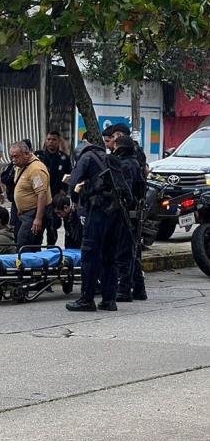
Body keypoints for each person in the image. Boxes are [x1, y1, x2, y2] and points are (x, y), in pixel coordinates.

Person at [64, 131, 134, 311]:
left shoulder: (86, 158)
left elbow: (73, 183)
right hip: (117, 214)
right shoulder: (111, 159)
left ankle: (86, 299)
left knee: (89, 254)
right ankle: (109, 300)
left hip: (98, 212)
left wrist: (74, 196)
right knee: (109, 256)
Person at [109, 130, 147, 301]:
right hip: (133, 213)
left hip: (127, 214)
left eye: (115, 145)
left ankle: (124, 289)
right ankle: (139, 288)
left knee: (124, 252)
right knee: (132, 250)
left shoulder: (125, 165)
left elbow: (126, 191)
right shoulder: (134, 163)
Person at [8, 140, 51, 249]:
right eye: (11, 157)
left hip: (33, 213)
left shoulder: (36, 169)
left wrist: (38, 219)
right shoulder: (21, 165)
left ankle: (29, 265)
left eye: (16, 156)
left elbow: (42, 194)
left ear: (27, 154)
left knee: (25, 244)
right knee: (21, 241)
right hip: (23, 213)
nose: (13, 160)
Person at [35, 130, 72, 247]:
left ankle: (51, 250)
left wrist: (63, 193)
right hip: (39, 198)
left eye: (54, 140)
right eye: (49, 139)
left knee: (53, 228)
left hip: (55, 199)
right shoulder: (37, 156)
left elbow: (68, 177)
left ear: (58, 142)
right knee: (37, 230)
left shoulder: (64, 159)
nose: (51, 142)